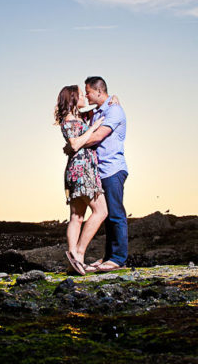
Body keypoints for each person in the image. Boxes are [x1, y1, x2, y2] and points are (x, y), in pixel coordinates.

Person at [73, 76, 129, 272]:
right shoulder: (96, 112)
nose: (86, 95)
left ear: (98, 91)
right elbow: (74, 115)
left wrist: (76, 144)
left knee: (115, 214)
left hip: (113, 169)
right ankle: (109, 257)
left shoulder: (114, 110)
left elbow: (97, 136)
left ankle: (118, 258)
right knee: (106, 215)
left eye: (87, 91)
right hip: (99, 171)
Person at [55, 84, 108, 275]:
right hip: (82, 169)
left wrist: (114, 98)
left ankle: (75, 263)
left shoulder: (78, 117)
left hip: (78, 168)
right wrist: (93, 128)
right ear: (73, 98)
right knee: (101, 211)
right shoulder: (69, 121)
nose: (85, 96)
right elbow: (75, 144)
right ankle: (78, 252)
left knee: (76, 217)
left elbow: (101, 105)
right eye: (81, 94)